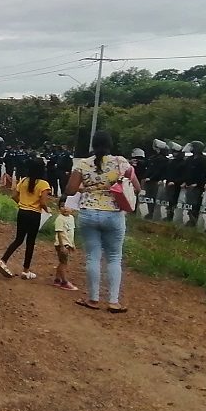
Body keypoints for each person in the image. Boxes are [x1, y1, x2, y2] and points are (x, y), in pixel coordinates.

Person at [65, 131, 140, 313]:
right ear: (110, 144)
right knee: (114, 257)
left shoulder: (83, 164)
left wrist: (88, 188)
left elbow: (70, 190)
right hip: (113, 213)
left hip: (89, 213)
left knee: (93, 257)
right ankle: (114, 301)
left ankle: (93, 299)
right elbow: (137, 188)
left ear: (93, 145)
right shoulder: (121, 162)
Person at [0, 156, 50, 280]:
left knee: (18, 239)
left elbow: (14, 196)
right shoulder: (43, 184)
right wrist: (48, 210)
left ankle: (3, 260)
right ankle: (26, 271)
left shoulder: (24, 180)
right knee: (30, 242)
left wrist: (23, 203)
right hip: (34, 214)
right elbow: (42, 202)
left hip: (22, 212)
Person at [53, 195, 78, 291]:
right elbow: (59, 233)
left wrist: (73, 244)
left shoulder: (71, 218)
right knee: (64, 263)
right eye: (62, 206)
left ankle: (57, 279)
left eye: (68, 206)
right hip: (61, 244)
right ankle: (64, 281)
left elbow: (71, 232)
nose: (65, 208)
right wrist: (62, 246)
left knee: (62, 262)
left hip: (68, 243)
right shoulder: (60, 219)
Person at [181, 140, 206, 226]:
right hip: (188, 185)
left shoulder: (204, 159)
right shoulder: (189, 159)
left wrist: (198, 183)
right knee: (188, 203)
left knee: (195, 204)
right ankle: (191, 219)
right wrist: (185, 181)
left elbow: (204, 173)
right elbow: (186, 171)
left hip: (197, 186)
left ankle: (196, 220)